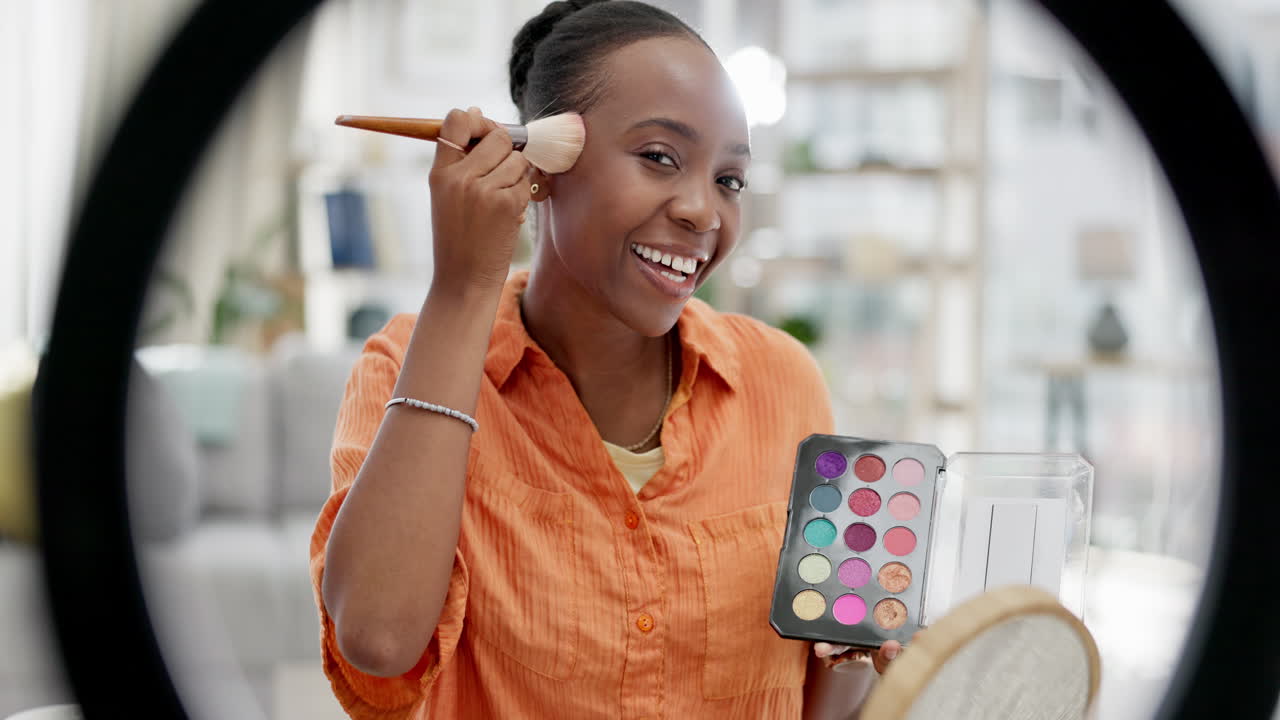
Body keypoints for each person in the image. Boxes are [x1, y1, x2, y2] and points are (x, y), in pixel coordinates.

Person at [312, 1, 903, 717]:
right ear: (542, 167)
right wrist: (464, 286)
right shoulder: (405, 362)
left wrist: (853, 657)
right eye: (660, 157)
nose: (703, 212)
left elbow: (821, 706)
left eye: (730, 179)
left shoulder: (784, 380)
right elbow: (376, 638)